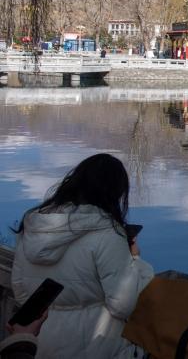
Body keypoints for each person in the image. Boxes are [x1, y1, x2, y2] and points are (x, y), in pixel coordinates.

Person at [11, 153, 154, 359]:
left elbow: (20, 292)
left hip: (39, 344)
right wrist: (135, 261)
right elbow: (124, 306)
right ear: (115, 192)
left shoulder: (34, 225)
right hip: (95, 347)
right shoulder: (108, 233)